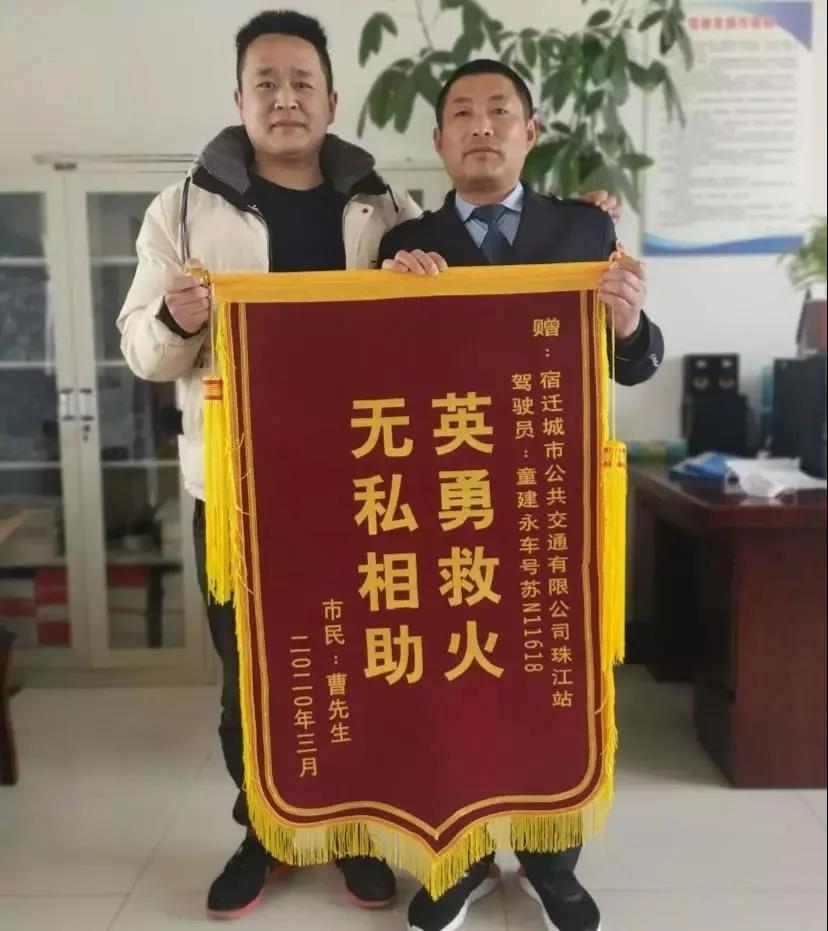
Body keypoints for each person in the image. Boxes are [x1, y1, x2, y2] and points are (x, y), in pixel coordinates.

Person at [118, 10, 623, 921]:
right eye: (266, 82)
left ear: (331, 98)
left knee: (374, 668)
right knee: (251, 678)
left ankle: (355, 836)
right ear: (239, 98)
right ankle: (267, 832)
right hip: (242, 498)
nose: (285, 98)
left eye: (302, 82)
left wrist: (583, 231)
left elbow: (440, 331)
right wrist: (177, 320)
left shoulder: (382, 206)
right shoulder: (182, 209)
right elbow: (143, 352)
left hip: (374, 493)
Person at [378, 59, 665, 931]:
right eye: (462, 113)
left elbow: (636, 361)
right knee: (453, 680)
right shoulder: (406, 244)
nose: (481, 125)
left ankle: (551, 859)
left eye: (500, 111)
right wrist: (392, 302)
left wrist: (626, 320)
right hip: (447, 503)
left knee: (553, 680)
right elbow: (374, 377)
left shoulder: (585, 227)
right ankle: (461, 856)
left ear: (529, 133)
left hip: (555, 499)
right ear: (438, 141)